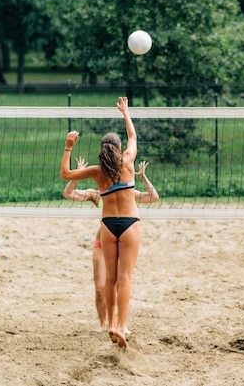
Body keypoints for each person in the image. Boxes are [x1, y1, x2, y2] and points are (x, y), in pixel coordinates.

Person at [61, 96, 139, 349]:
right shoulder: (127, 162)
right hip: (129, 224)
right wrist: (125, 112)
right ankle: (120, 325)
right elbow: (133, 137)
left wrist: (68, 146)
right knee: (126, 278)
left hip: (107, 226)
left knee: (111, 280)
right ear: (118, 149)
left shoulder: (96, 171)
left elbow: (65, 175)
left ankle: (110, 323)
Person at [63, 156, 159, 333]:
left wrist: (143, 177)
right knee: (100, 288)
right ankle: (104, 324)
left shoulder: (127, 193)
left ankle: (121, 323)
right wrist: (75, 176)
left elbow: (153, 197)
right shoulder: (97, 193)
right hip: (102, 243)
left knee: (120, 282)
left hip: (121, 238)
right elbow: (68, 194)